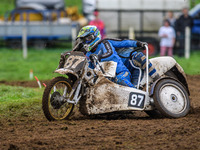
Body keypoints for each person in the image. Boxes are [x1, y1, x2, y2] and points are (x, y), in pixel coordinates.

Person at [72, 25, 160, 88]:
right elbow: (89, 69)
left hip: (121, 73)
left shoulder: (105, 43)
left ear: (94, 36)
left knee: (121, 76)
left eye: (88, 38)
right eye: (84, 39)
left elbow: (121, 44)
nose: (86, 42)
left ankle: (156, 79)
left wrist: (137, 43)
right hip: (104, 78)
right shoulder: (88, 54)